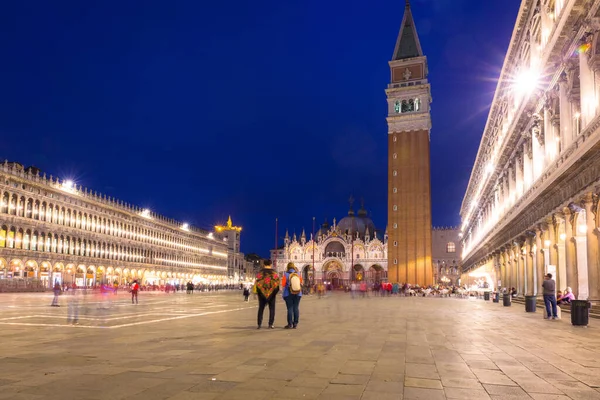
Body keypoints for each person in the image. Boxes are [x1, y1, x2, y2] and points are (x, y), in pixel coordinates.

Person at [254, 260, 280, 329]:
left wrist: (259, 292)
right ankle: (270, 324)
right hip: (272, 293)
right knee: (272, 309)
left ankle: (259, 324)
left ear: (264, 264)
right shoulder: (274, 273)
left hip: (262, 293)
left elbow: (257, 283)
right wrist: (274, 293)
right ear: (270, 264)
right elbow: (277, 284)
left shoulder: (260, 272)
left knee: (261, 309)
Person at [282, 262, 302, 329]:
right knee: (296, 308)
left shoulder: (286, 274)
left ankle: (290, 324)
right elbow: (301, 283)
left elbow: (283, 284)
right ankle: (295, 323)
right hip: (298, 293)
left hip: (288, 293)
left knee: (290, 308)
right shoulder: (298, 274)